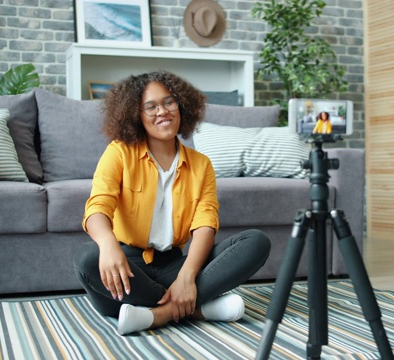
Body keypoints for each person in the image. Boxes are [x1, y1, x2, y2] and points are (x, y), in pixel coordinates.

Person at [73, 70, 271, 335]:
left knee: (256, 242)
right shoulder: (119, 152)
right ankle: (198, 309)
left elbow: (205, 224)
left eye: (169, 102)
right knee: (88, 258)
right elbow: (97, 206)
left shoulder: (201, 165)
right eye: (150, 106)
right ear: (136, 115)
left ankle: (158, 314)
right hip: (129, 269)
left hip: (175, 266)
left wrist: (187, 277)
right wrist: (108, 246)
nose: (162, 112)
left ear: (182, 106)